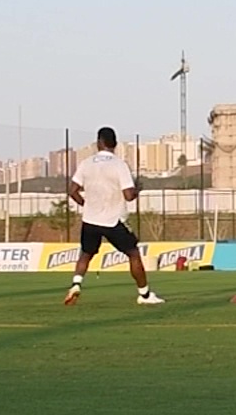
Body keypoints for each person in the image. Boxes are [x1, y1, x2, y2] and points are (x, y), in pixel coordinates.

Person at [64, 127, 164, 307]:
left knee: (86, 254)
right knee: (133, 253)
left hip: (90, 220)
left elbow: (72, 191)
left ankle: (76, 284)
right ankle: (145, 295)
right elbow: (128, 195)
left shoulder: (86, 163)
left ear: (98, 142)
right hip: (112, 220)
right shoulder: (119, 165)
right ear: (115, 144)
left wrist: (86, 205)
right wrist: (137, 190)